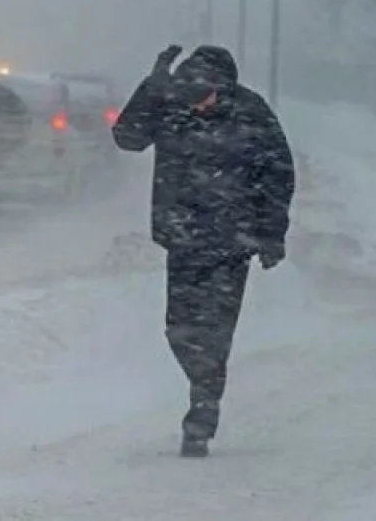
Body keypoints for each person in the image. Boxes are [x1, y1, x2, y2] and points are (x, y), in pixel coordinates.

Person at [111, 44, 295, 458]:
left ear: (223, 87)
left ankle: (203, 408)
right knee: (178, 328)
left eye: (205, 94)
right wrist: (152, 88)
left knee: (215, 330)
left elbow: (278, 174)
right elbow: (127, 137)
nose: (199, 104)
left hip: (233, 243)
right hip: (184, 238)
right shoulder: (172, 106)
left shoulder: (252, 113)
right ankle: (203, 383)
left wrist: (271, 234)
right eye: (192, 94)